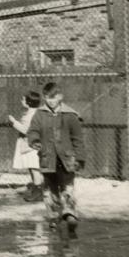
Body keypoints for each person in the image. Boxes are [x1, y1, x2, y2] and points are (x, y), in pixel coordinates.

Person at [27, 84, 86, 235]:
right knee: (49, 189)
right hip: (48, 158)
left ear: (60, 97)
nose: (50, 101)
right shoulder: (39, 114)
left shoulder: (70, 115)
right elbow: (33, 130)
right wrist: (34, 140)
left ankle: (69, 214)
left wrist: (80, 158)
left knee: (67, 187)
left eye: (53, 97)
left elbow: (77, 139)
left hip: (67, 159)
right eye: (47, 98)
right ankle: (53, 216)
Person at [10, 92, 45, 201]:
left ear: (28, 102)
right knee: (32, 167)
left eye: (23, 99)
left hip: (31, 146)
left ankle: (38, 193)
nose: (21, 101)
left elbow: (26, 130)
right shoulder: (31, 112)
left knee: (34, 169)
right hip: (29, 145)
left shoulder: (31, 115)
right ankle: (36, 190)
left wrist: (13, 122)